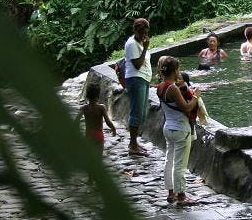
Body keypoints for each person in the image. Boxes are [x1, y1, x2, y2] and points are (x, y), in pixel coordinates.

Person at [156, 56, 199, 206]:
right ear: (174, 71)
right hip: (181, 129)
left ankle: (170, 193)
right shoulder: (172, 88)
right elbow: (186, 107)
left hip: (168, 127)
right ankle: (181, 196)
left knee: (169, 161)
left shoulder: (161, 86)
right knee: (180, 164)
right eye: (178, 69)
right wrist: (196, 97)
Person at [123, 17, 151, 156]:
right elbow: (137, 64)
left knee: (141, 113)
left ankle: (134, 142)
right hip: (135, 79)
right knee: (136, 112)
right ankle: (132, 145)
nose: (144, 36)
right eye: (141, 33)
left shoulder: (140, 42)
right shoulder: (131, 44)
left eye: (145, 33)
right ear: (135, 31)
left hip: (143, 79)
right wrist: (145, 49)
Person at [79, 84, 117, 152]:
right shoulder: (101, 107)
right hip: (98, 134)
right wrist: (113, 128)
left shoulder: (83, 108)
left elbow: (76, 122)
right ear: (98, 96)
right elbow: (107, 121)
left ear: (87, 96)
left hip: (88, 135)